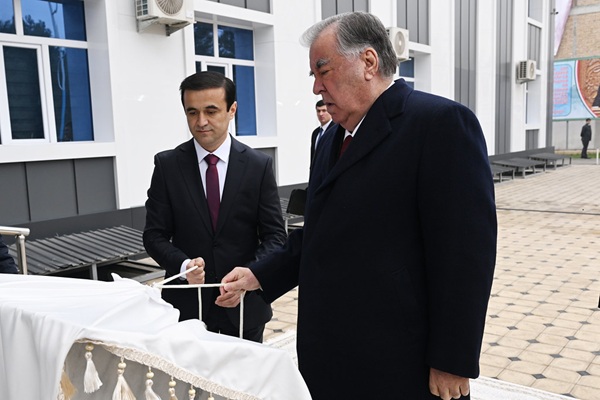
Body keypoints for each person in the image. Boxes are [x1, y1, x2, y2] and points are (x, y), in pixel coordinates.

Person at [216, 11, 497, 399]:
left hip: (399, 361)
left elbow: (465, 255)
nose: (316, 87)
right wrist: (258, 274)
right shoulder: (332, 138)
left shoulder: (439, 124)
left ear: (368, 62)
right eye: (313, 76)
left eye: (323, 71)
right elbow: (320, 233)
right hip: (331, 355)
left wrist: (452, 359)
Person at [143, 71, 287, 343]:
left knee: (244, 372)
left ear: (232, 110)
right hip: (186, 308)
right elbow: (154, 235)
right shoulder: (167, 166)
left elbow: (275, 236)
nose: (201, 122)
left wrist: (250, 277)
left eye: (211, 111)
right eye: (192, 112)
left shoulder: (258, 166)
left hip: (245, 307)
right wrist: (184, 266)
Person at [310, 100, 335, 165]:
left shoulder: (336, 130)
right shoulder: (315, 133)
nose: (321, 114)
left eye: (324, 111)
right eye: (318, 111)